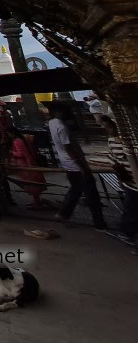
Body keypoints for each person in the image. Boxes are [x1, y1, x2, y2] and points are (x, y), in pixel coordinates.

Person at [48, 103, 107, 231]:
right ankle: (99, 222)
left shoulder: (52, 123)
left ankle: (63, 213)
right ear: (61, 113)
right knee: (92, 194)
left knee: (76, 190)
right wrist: (82, 166)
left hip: (67, 163)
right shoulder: (62, 127)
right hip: (74, 164)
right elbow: (69, 147)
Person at [98, 117, 137, 251]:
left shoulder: (130, 139)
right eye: (105, 127)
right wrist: (121, 178)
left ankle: (127, 232)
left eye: (109, 127)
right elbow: (114, 161)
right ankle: (126, 233)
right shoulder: (112, 140)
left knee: (132, 209)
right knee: (131, 209)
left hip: (134, 182)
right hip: (130, 183)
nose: (107, 130)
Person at [7, 127, 47, 209]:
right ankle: (36, 201)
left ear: (12, 133)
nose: (8, 136)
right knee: (32, 183)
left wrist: (12, 152)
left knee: (31, 184)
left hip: (24, 165)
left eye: (8, 134)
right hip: (30, 163)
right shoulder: (24, 138)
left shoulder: (17, 141)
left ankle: (37, 203)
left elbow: (21, 154)